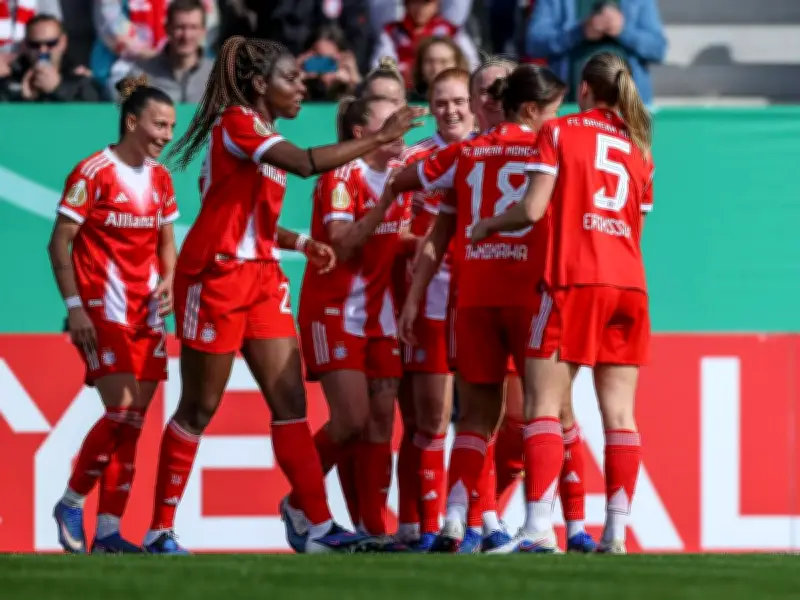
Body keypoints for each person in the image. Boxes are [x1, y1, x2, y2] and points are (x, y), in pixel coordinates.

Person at [142, 36, 424, 555]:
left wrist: (297, 240)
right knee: (199, 409)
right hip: (217, 278)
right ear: (257, 85)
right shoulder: (238, 124)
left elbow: (247, 218)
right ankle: (160, 527)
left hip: (262, 279)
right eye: (291, 79)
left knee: (291, 405)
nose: (302, 86)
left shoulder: (261, 133)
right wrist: (380, 137)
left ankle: (314, 524)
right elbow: (306, 163)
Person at [471, 52, 654, 554]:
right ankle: (615, 531)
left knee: (542, 406)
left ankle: (535, 528)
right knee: (620, 415)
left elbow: (531, 210)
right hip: (630, 286)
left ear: (585, 90)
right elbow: (638, 221)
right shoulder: (639, 147)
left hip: (574, 281)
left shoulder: (558, 132)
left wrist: (486, 225)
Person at [389, 63, 566, 552]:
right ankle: (538, 527)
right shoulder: (548, 146)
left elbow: (408, 180)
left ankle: (453, 518)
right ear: (532, 109)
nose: (557, 118)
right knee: (543, 411)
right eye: (553, 110)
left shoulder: (467, 152)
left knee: (473, 419)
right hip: (531, 294)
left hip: (476, 297)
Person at [465, 55, 596, 555]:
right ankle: (500, 522)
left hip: (529, 293)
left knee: (544, 412)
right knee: (519, 415)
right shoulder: (474, 151)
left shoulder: (536, 146)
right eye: (482, 89)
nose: (486, 98)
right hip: (510, 296)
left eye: (492, 88)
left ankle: (564, 524)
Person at [48, 75, 178, 554]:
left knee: (134, 424)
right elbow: (58, 241)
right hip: (102, 311)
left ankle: (106, 532)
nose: (167, 135)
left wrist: (168, 278)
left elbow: (166, 241)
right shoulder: (92, 173)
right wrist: (75, 307)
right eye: (159, 125)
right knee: (122, 411)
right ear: (131, 122)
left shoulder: (161, 179)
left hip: (146, 314)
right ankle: (70, 501)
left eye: (170, 127)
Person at [285, 96, 413, 552]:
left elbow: (399, 238)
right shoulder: (342, 178)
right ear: (362, 134)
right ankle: (301, 503)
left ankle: (373, 529)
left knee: (381, 426)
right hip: (335, 311)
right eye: (388, 120)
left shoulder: (400, 176)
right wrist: (389, 199)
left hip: (380, 316)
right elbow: (342, 241)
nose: (400, 126)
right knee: (351, 420)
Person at [392, 67, 474, 551]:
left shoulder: (489, 149)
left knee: (487, 417)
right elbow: (396, 225)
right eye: (441, 102)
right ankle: (424, 524)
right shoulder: (416, 157)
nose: (451, 110)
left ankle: (474, 520)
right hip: (431, 297)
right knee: (431, 419)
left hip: (481, 295)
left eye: (459, 100)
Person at [409, 36, 467, 101]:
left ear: (457, 64)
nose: (436, 68)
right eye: (429, 61)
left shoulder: (472, 101)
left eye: (443, 61)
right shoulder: (407, 102)